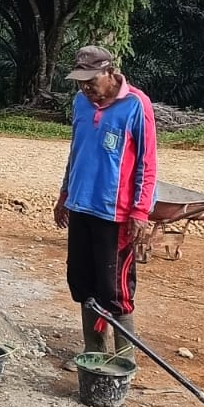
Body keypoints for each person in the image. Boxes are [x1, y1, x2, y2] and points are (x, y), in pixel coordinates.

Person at [53, 45, 158, 357]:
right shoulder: (80, 103)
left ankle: (122, 360)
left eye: (91, 82)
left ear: (110, 72)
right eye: (80, 83)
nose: (86, 89)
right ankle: (93, 353)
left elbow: (147, 163)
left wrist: (140, 211)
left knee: (115, 288)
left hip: (116, 213)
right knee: (82, 281)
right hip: (80, 205)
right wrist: (64, 194)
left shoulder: (136, 105)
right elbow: (76, 151)